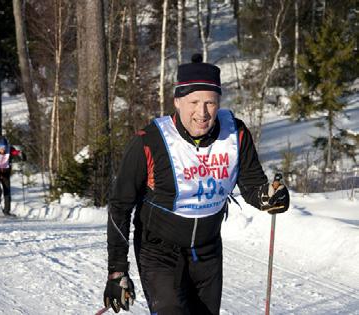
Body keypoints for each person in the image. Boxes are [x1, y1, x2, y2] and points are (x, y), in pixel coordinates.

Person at [103, 54, 290, 315]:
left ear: (219, 103)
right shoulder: (151, 141)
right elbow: (120, 205)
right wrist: (117, 271)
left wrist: (270, 197)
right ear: (177, 101)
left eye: (210, 103)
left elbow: (252, 186)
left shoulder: (236, 134)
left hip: (207, 250)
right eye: (193, 102)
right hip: (159, 252)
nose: (202, 113)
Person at [0, 137, 25, 216]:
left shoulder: (9, 149)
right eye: (1, 148)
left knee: (7, 192)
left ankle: (7, 211)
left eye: (4, 148)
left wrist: (21, 154)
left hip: (5, 174)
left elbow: (15, 152)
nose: (3, 150)